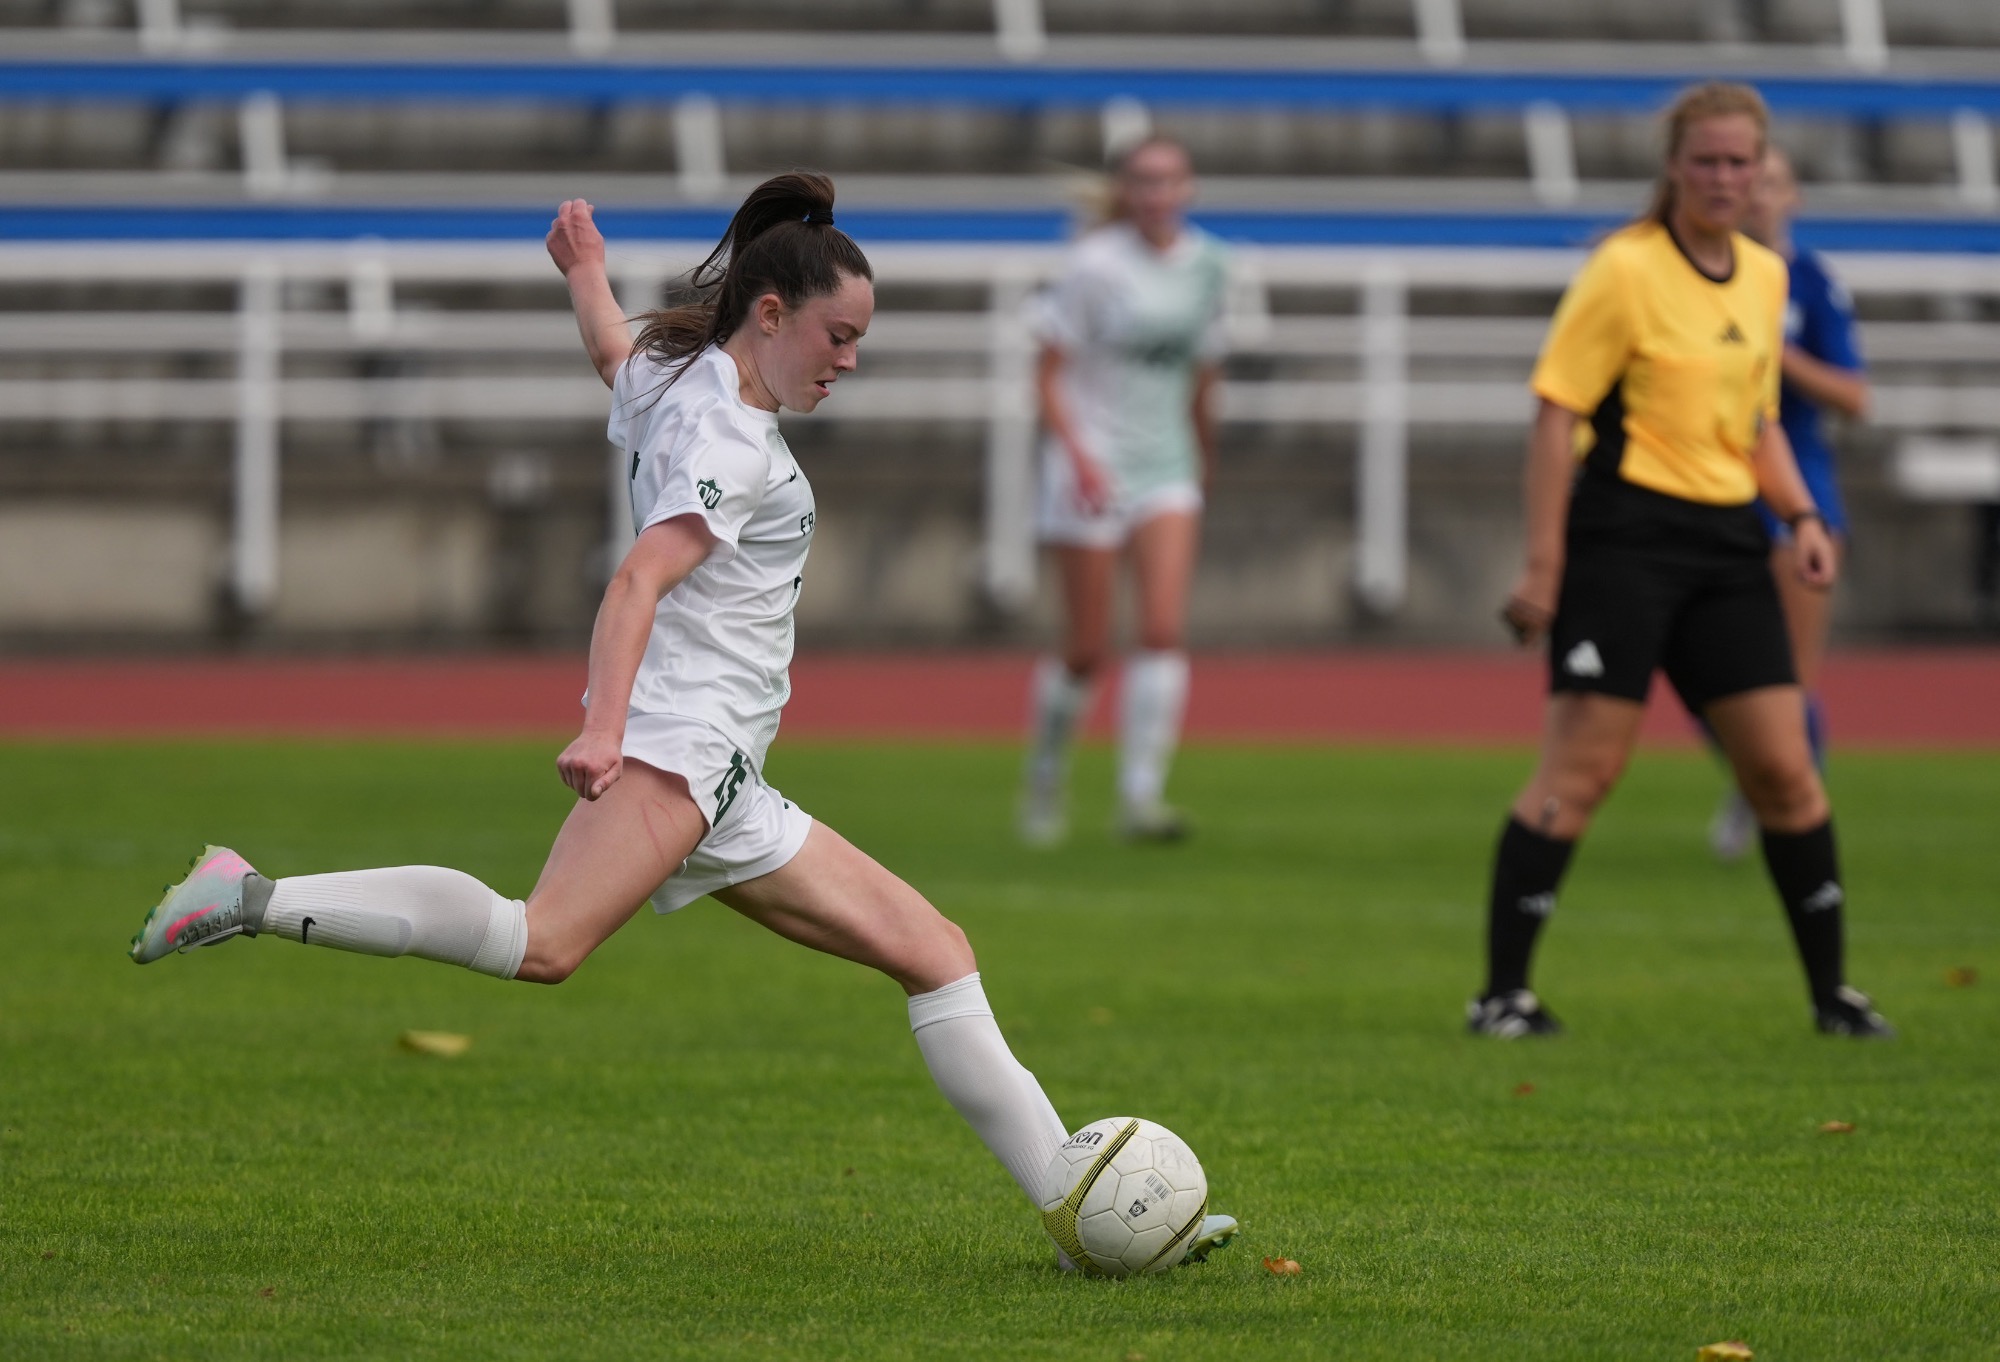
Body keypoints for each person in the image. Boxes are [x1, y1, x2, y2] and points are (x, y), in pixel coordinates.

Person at [128, 172, 1237, 1266]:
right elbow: (636, 582)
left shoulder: (685, 375)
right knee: (542, 940)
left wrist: (588, 274)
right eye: (837, 337)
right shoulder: (730, 444)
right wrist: (604, 728)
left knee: (935, 954)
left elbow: (616, 355)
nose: (848, 362)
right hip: (676, 747)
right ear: (770, 315)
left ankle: (1078, 1211)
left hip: (723, 775)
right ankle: (249, 894)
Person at [1470, 83, 1893, 1040]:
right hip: (1624, 544)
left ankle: (1832, 997)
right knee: (1583, 771)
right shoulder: (1623, 270)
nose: (1724, 178)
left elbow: (1757, 423)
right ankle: (1502, 994)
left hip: (1730, 548)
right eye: (1706, 160)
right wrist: (1544, 566)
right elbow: (1555, 416)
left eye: (1741, 162)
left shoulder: (1764, 275)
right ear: (1674, 166)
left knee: (1785, 770)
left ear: (1763, 170)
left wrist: (1801, 514)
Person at [1019, 135, 1228, 845]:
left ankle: (1142, 798)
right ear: (1125, 190)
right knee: (1086, 648)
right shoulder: (1093, 266)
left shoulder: (1208, 264)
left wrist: (1203, 452)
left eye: (1169, 179)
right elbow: (1047, 372)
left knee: (1164, 630)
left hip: (1165, 464)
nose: (1156, 193)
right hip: (1093, 464)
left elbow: (1202, 369)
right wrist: (1075, 455)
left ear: (1188, 188)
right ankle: (1046, 776)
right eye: (1143, 180)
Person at [1706, 146, 1870, 861]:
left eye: (1772, 182)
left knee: (1787, 675)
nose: (1757, 195)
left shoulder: (1809, 283)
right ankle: (1759, 779)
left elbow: (1854, 396)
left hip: (1796, 482)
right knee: (1709, 671)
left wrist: (1776, 353)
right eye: (1750, 181)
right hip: (1711, 478)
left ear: (1793, 195)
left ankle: (1797, 810)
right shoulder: (1705, 275)